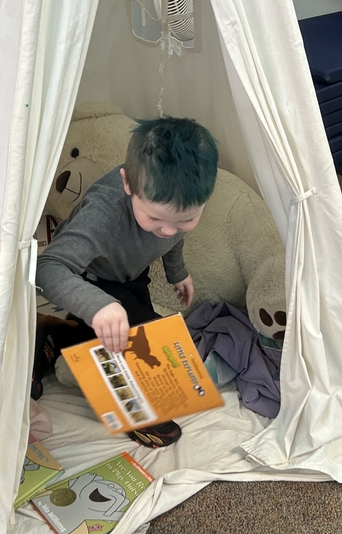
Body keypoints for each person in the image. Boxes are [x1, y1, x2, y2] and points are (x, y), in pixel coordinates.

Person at [33, 116, 219, 448]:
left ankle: (59, 335)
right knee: (130, 345)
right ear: (127, 184)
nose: (168, 230)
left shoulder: (171, 213)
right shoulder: (103, 214)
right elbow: (48, 268)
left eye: (187, 219)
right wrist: (97, 305)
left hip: (131, 276)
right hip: (91, 276)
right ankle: (131, 407)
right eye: (155, 218)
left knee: (153, 337)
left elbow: (171, 240)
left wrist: (178, 272)